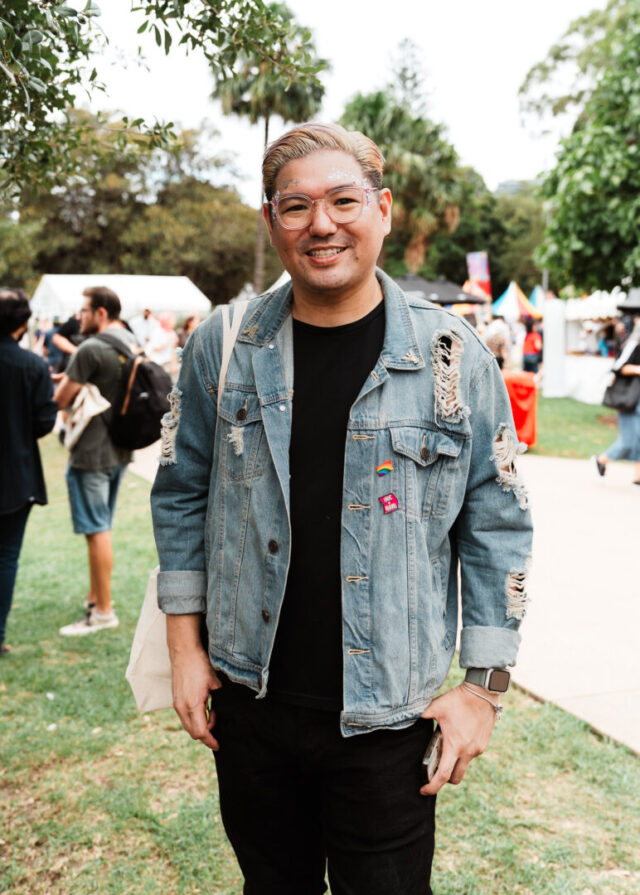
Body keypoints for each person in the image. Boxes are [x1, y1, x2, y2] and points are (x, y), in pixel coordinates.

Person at [150, 122, 533, 895]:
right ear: (271, 220)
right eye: (295, 207)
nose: (321, 224)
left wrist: (483, 688)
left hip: (389, 722)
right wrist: (186, 649)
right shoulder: (222, 346)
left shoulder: (452, 357)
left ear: (383, 208)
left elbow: (498, 524)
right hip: (251, 706)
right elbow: (182, 494)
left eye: (343, 200)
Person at [54, 286, 138, 635]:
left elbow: (61, 400)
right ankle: (95, 595)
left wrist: (63, 384)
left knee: (96, 530)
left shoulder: (89, 348)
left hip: (91, 451)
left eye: (85, 310)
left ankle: (103, 612)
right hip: (120, 448)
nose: (80, 316)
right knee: (102, 525)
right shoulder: (130, 341)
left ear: (101, 313)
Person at [0, 288, 58, 655]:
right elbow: (43, 423)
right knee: (5, 556)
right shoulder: (33, 366)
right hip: (14, 475)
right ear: (23, 325)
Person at [593, 312, 640, 486]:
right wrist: (637, 369)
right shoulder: (634, 344)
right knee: (628, 440)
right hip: (630, 397)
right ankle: (601, 460)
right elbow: (618, 367)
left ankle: (638, 478)